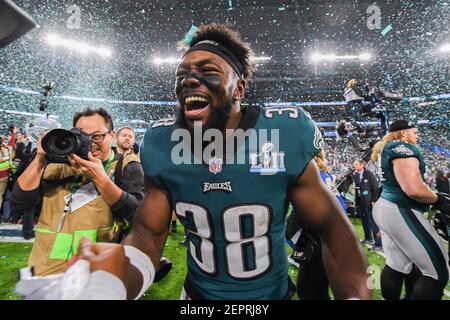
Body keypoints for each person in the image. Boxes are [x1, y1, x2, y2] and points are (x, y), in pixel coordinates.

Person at [16, 23, 370, 300]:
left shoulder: (282, 132)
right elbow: (148, 236)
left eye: (207, 70)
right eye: (181, 73)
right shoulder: (162, 143)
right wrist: (109, 285)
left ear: (239, 88)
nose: (188, 79)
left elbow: (332, 227)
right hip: (197, 297)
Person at [11, 107, 145, 276]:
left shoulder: (125, 166)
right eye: (82, 136)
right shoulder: (57, 164)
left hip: (96, 273)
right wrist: (39, 159)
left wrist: (101, 180)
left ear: (111, 136)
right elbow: (19, 203)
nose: (90, 142)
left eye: (97, 136)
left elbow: (139, 214)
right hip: (44, 272)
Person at [371, 120, 450, 300]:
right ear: (403, 133)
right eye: (414, 132)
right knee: (437, 273)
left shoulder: (387, 147)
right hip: (400, 209)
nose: (418, 135)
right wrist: (440, 199)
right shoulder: (402, 148)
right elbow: (413, 189)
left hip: (387, 206)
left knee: (397, 265)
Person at [286, 149, 348, 300]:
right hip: (330, 234)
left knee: (308, 290)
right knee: (316, 287)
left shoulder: (311, 175)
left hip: (320, 237)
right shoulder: (321, 174)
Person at [353, 159, 381, 251]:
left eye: (356, 164)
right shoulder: (356, 175)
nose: (355, 166)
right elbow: (357, 189)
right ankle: (368, 238)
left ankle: (378, 244)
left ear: (362, 165)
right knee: (364, 221)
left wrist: (374, 200)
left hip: (369, 202)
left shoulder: (369, 174)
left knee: (373, 222)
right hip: (361, 202)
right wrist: (356, 201)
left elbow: (375, 188)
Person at [0, 126, 17, 221]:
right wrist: (14, 134)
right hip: (3, 176)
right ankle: (6, 216)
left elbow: (11, 143)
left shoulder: (6, 149)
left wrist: (14, 134)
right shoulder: (6, 149)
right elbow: (11, 144)